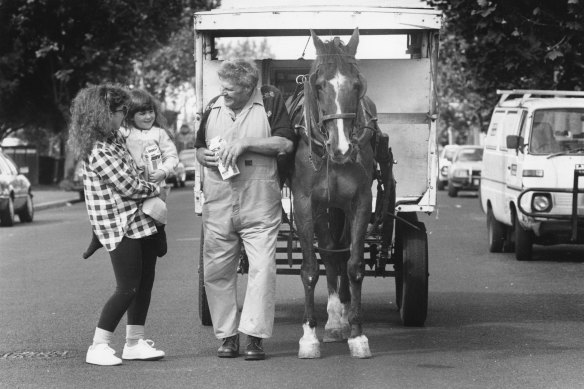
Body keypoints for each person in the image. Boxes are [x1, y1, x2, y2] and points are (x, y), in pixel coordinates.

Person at [194, 60, 294, 360]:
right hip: (219, 202)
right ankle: (227, 336)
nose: (223, 92)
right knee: (216, 272)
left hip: (258, 203)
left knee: (262, 270)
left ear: (249, 88)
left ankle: (254, 337)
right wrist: (204, 157)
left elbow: (286, 144)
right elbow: (198, 145)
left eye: (230, 88)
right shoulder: (213, 106)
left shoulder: (271, 103)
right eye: (221, 86)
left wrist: (246, 143)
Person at [68, 84, 166, 366]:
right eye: (121, 110)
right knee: (127, 287)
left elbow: (133, 173)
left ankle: (134, 343)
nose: (125, 115)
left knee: (144, 284)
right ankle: (98, 346)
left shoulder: (113, 139)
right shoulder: (98, 149)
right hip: (118, 224)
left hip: (137, 220)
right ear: (103, 113)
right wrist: (154, 187)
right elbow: (128, 185)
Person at [82, 89, 179, 259]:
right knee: (141, 211)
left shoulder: (159, 133)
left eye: (151, 112)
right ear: (130, 115)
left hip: (155, 182)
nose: (148, 117)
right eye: (142, 113)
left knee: (156, 209)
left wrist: (164, 171)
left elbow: (171, 156)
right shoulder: (125, 133)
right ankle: (97, 235)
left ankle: (160, 234)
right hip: (137, 182)